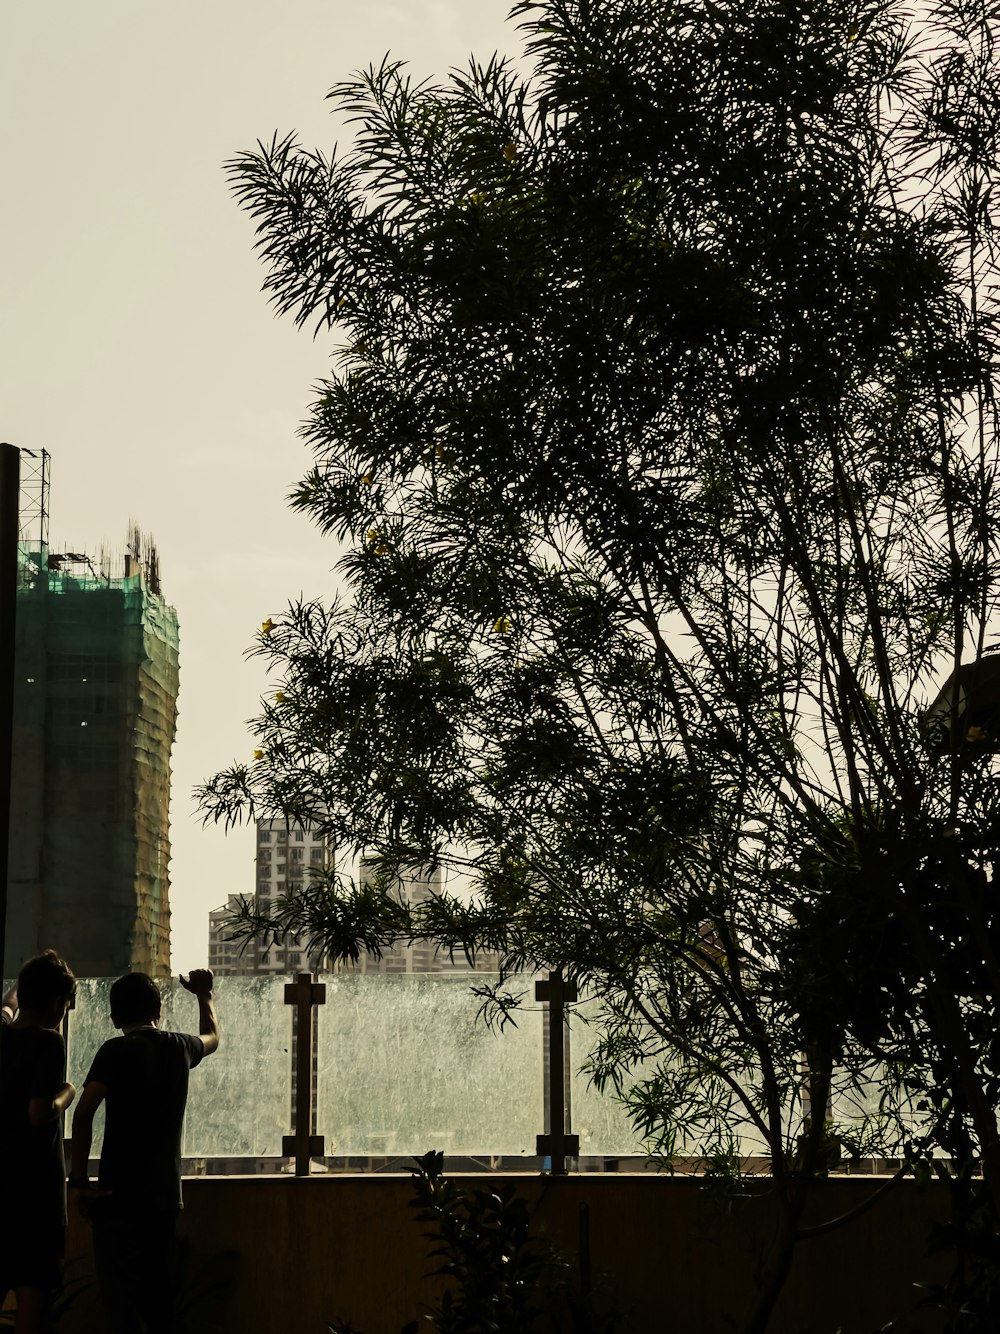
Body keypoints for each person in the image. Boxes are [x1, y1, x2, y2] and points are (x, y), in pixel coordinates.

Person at [69, 969, 219, 1334]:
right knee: (160, 1303)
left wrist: (78, 1180)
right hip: (164, 1198)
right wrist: (203, 994)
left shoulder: (114, 1051)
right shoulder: (179, 1047)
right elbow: (213, 1037)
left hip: (116, 1196)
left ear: (114, 1018)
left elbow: (84, 1111)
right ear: (160, 1009)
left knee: (120, 1305)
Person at [0, 950, 78, 1334]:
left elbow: (6, 1008)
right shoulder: (49, 1043)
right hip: (34, 1193)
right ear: (55, 1004)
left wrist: (17, 990)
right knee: (32, 1294)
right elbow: (38, 1111)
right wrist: (67, 1093)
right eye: (65, 1004)